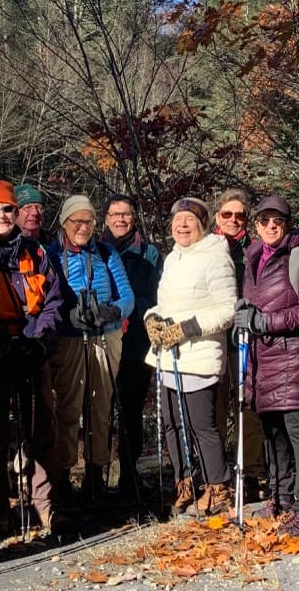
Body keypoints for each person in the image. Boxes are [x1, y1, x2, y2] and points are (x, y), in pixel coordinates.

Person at [0, 181, 63, 533]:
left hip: (32, 346)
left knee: (41, 428)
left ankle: (45, 506)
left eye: (8, 209)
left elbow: (52, 301)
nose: (2, 216)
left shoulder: (35, 252)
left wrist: (38, 341)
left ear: (17, 213)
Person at [234, 195, 299, 535]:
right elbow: (252, 309)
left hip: (292, 359)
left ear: (287, 223)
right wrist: (243, 323)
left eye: (278, 220)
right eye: (264, 220)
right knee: (273, 434)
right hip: (261, 360)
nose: (271, 226)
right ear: (256, 225)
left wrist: (264, 323)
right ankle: (281, 499)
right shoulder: (252, 259)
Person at [143, 198, 237, 516]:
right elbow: (164, 304)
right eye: (178, 219)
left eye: (190, 220)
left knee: (201, 425)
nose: (182, 225)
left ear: (204, 224)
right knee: (171, 424)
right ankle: (187, 483)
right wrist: (152, 319)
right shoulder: (173, 259)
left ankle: (218, 488)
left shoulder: (215, 257)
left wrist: (187, 329)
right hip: (169, 354)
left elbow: (227, 310)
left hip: (199, 353)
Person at [46, 194, 134, 506]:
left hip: (105, 336)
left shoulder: (106, 252)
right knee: (69, 408)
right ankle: (64, 476)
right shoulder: (52, 254)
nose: (83, 227)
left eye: (88, 221)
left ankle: (96, 477)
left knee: (99, 408)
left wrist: (111, 312)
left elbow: (128, 297)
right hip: (69, 339)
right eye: (76, 221)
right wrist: (66, 314)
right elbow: (45, 298)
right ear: (64, 223)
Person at [101, 192, 162, 501]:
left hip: (137, 343)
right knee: (99, 412)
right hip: (101, 342)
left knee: (131, 412)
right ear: (106, 218)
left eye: (126, 214)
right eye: (115, 214)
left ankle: (128, 474)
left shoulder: (150, 254)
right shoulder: (95, 250)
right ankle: (95, 477)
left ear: (134, 218)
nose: (121, 219)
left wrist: (134, 310)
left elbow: (158, 296)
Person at [212, 188, 265, 495]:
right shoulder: (207, 247)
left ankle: (251, 471)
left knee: (247, 406)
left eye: (240, 215)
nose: (233, 220)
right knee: (215, 408)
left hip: (247, 335)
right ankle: (217, 472)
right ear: (217, 216)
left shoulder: (255, 250)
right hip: (215, 336)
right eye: (227, 214)